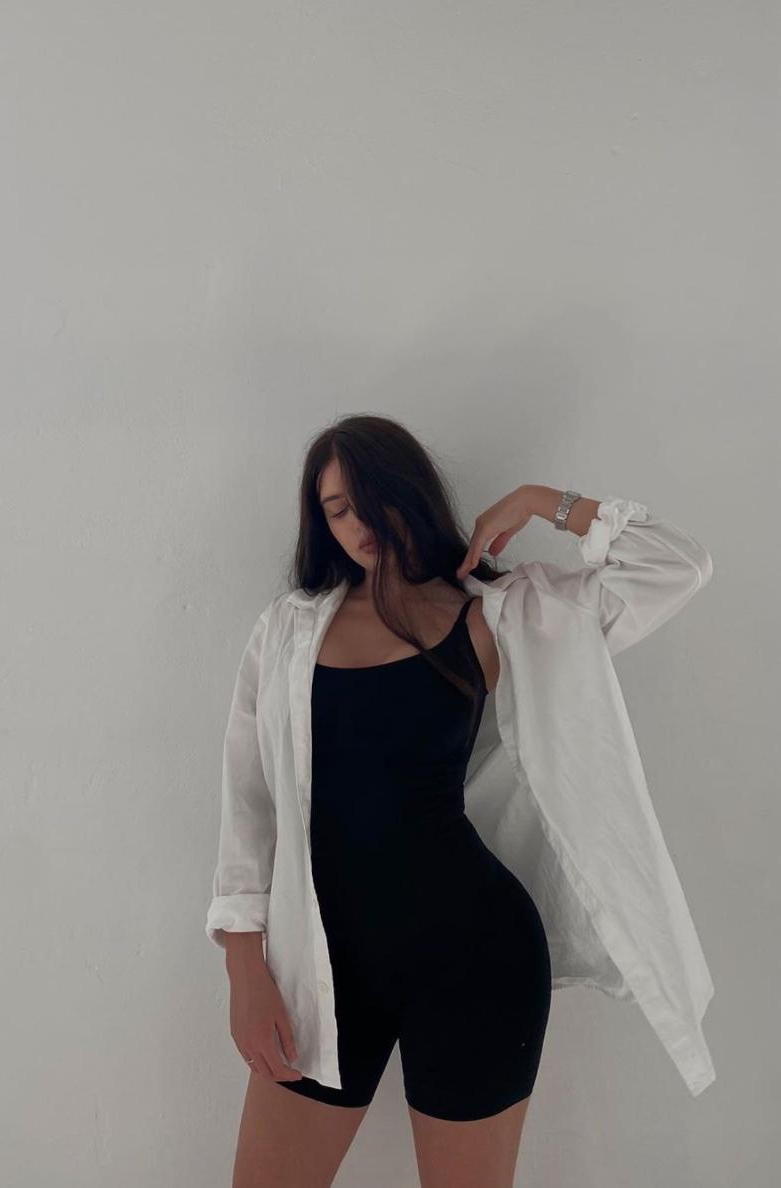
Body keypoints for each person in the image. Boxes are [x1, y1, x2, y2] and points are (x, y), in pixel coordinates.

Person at [211, 413, 715, 1187]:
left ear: (408, 493)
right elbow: (249, 804)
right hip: (322, 967)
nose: (358, 525)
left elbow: (678, 566)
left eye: (371, 499)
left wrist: (546, 502)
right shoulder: (287, 632)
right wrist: (244, 968)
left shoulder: (498, 616)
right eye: (337, 510)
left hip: (476, 960)